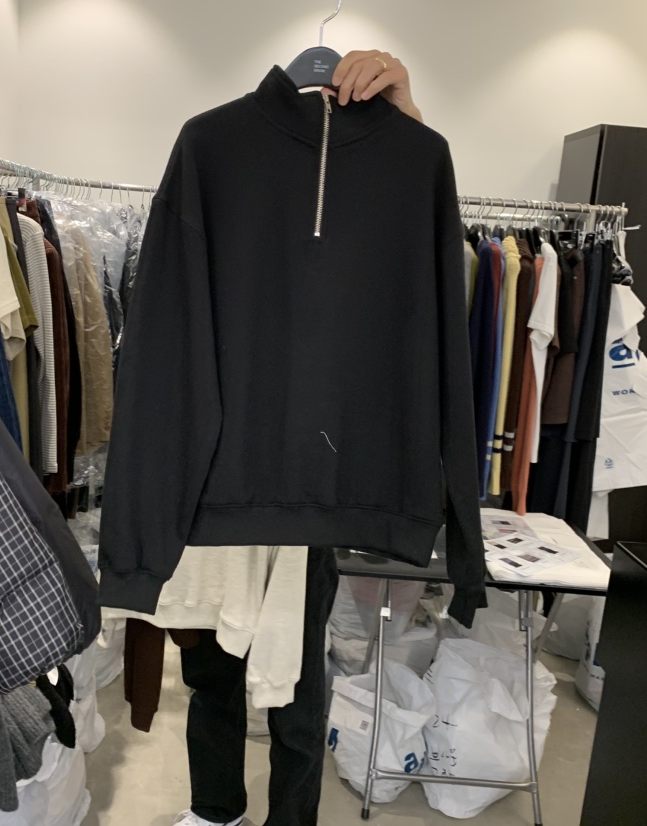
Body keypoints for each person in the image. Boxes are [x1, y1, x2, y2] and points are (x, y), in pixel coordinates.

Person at [175, 50, 423, 826]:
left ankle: (289, 818)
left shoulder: (361, 184)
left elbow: (412, 239)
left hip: (309, 475)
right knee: (212, 661)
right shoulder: (216, 158)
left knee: (297, 674)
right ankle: (215, 808)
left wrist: (405, 114)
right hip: (220, 469)